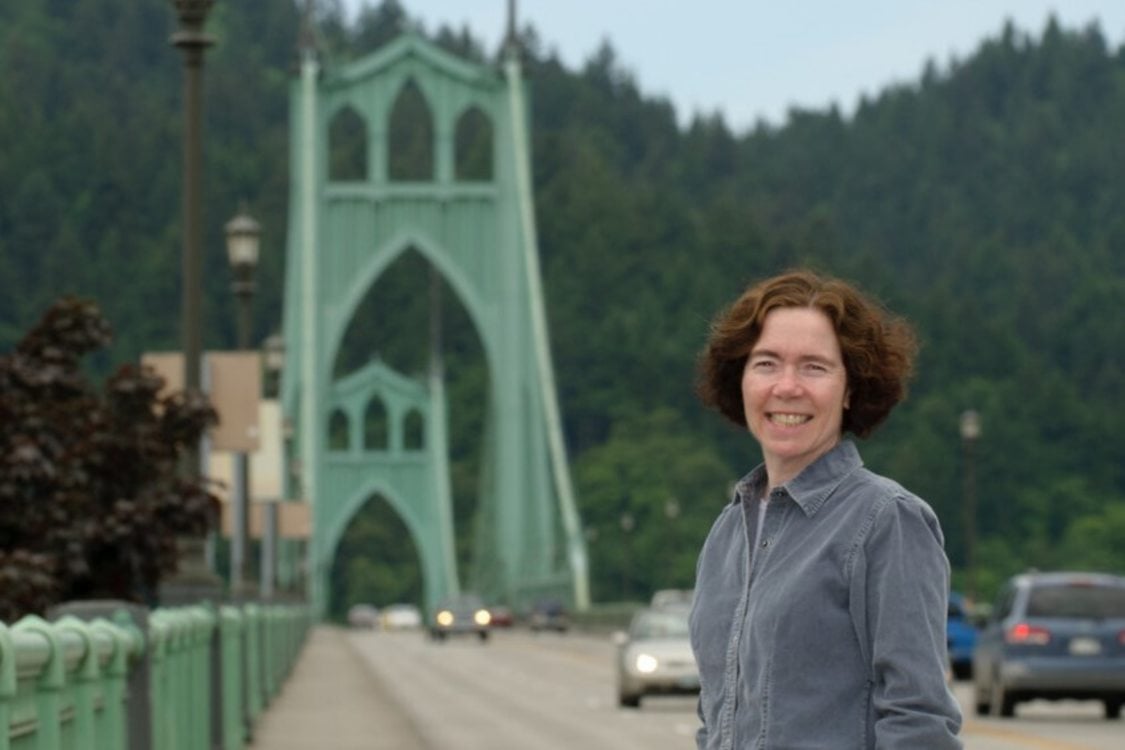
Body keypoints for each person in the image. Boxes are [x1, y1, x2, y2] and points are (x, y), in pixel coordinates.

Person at [689, 268, 962, 749]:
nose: (787, 387)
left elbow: (919, 720)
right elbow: (716, 718)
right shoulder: (727, 532)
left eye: (814, 367)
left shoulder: (886, 521)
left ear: (851, 388)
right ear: (741, 379)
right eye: (767, 363)